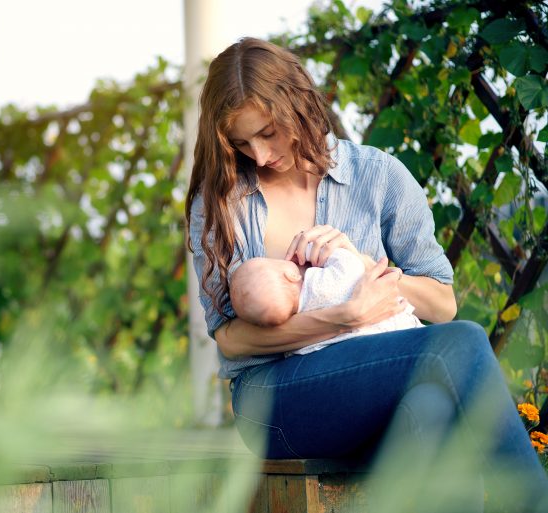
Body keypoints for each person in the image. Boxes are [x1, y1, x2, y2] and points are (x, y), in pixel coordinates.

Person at [185, 37, 547, 512]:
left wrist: (361, 266)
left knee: (433, 414)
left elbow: (442, 302)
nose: (259, 154)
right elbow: (230, 340)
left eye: (268, 132)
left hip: (373, 390)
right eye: (240, 141)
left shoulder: (378, 176)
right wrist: (343, 316)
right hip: (274, 401)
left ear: (297, 104)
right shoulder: (220, 202)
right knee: (459, 344)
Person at [229, 247, 422, 356]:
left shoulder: (300, 323)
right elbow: (350, 266)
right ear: (290, 275)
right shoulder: (317, 283)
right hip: (396, 326)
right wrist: (321, 252)